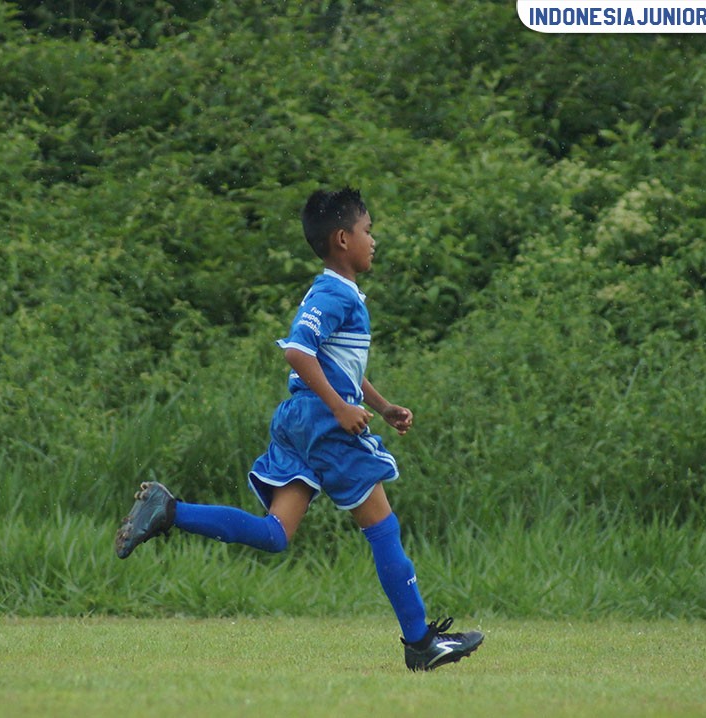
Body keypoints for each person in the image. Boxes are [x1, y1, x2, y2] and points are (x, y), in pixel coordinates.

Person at [114, 187, 483, 671]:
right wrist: (340, 409)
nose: (374, 240)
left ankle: (170, 510)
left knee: (275, 534)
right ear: (343, 239)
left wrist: (380, 404)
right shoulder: (334, 292)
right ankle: (420, 643)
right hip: (320, 422)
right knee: (383, 529)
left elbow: (336, 361)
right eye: (368, 230)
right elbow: (297, 351)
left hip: (299, 419)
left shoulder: (334, 290)